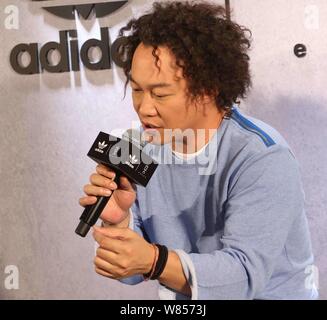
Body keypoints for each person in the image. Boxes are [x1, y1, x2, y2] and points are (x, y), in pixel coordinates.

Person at [78, 1, 318, 300]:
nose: (143, 108)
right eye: (137, 89)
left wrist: (154, 260)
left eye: (160, 93)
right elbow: (132, 271)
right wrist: (119, 221)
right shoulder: (133, 146)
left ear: (208, 89)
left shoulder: (262, 157)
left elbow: (242, 278)